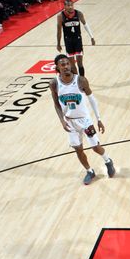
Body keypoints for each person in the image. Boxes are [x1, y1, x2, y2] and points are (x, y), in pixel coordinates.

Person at [48, 53, 115, 185]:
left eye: (67, 63)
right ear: (57, 67)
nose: (66, 66)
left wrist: (99, 119)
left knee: (95, 147)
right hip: (69, 122)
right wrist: (62, 120)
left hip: (85, 120)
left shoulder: (81, 80)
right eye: (63, 64)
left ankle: (108, 160)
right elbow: (56, 104)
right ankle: (90, 171)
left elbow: (92, 100)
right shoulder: (54, 83)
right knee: (78, 149)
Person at [56, 0, 95, 76]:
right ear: (64, 6)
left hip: (78, 41)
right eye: (68, 5)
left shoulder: (79, 13)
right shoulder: (60, 16)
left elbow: (85, 25)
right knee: (72, 65)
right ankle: (76, 81)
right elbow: (59, 31)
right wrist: (58, 43)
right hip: (68, 42)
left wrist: (92, 37)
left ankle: (82, 80)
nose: (70, 7)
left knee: (80, 63)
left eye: (71, 5)